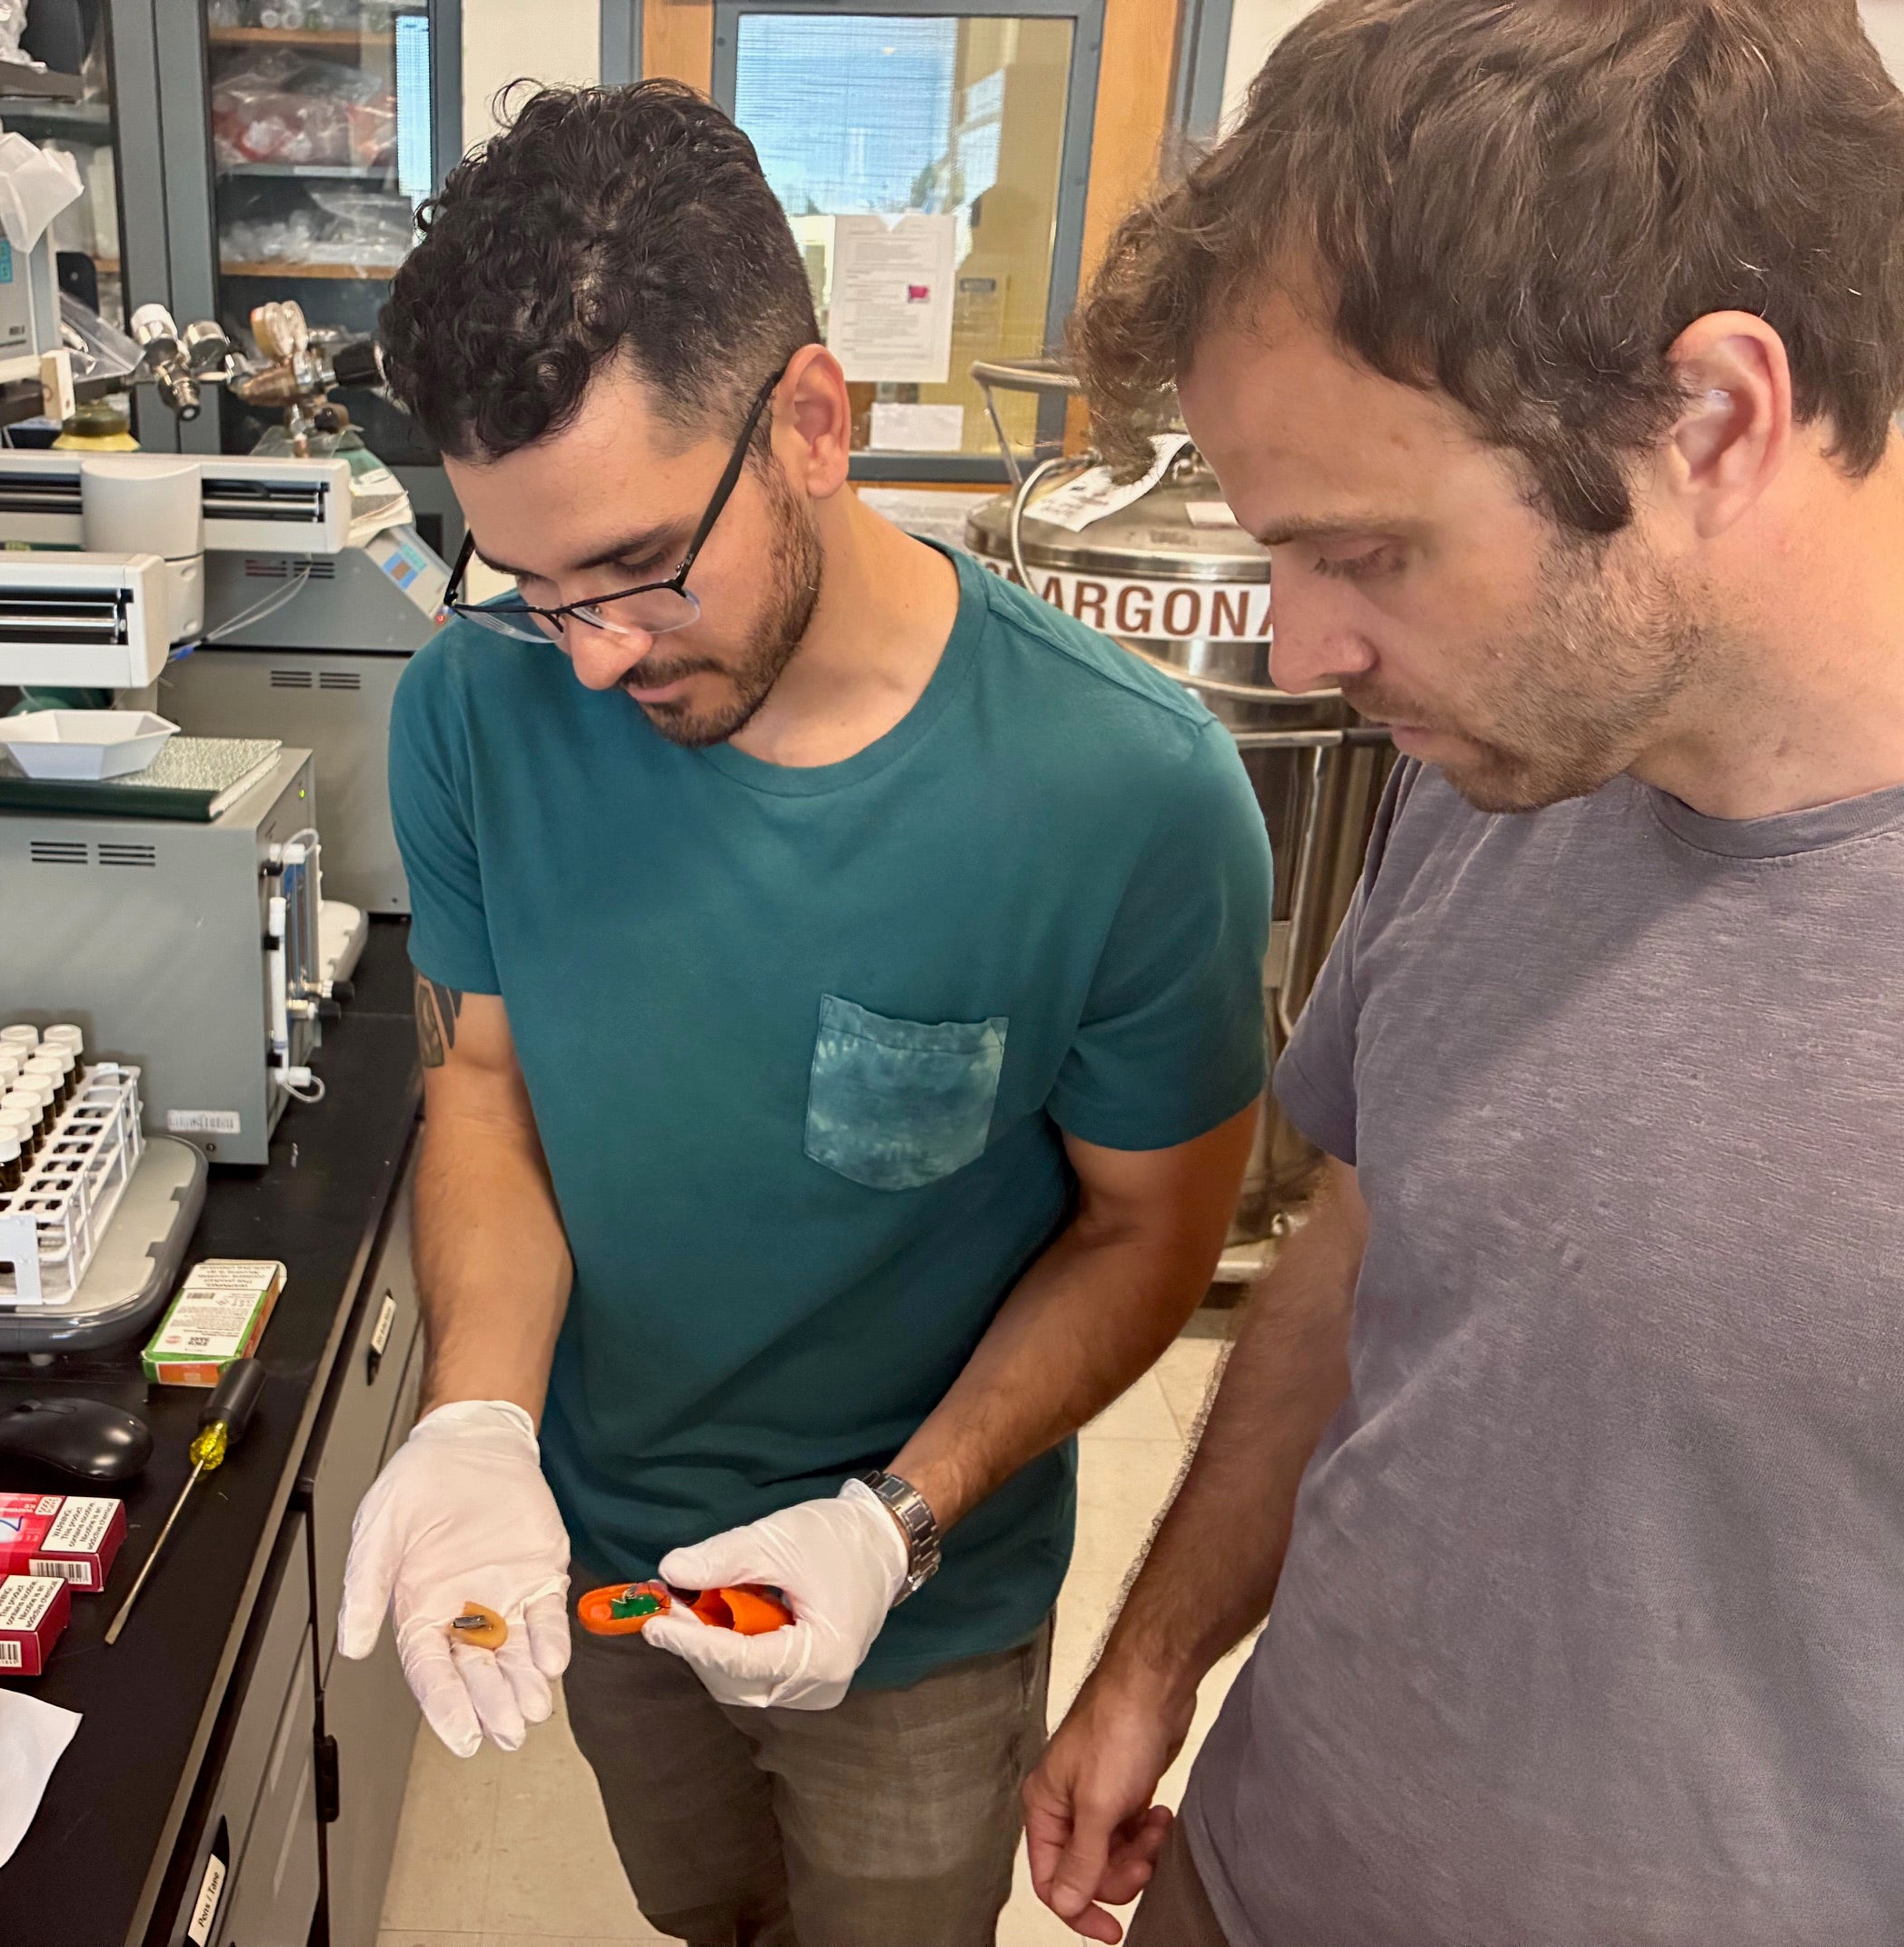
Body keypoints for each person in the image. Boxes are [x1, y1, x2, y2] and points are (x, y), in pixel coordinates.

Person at [332, 81, 1273, 1947]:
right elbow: (491, 1093)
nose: (589, 657)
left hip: (921, 1608)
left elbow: (1148, 1228)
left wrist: (894, 1521)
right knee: (707, 1917)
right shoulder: (472, 709)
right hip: (602, 1544)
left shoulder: (1127, 792)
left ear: (814, 427)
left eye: (635, 570)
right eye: (530, 590)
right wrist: (475, 1427)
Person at [1021, 3, 1904, 1942]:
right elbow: (1368, 1222)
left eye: (1372, 553)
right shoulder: (1509, 759)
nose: (1310, 643)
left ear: (1715, 423)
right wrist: (1162, 1656)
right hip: (1257, 1878)